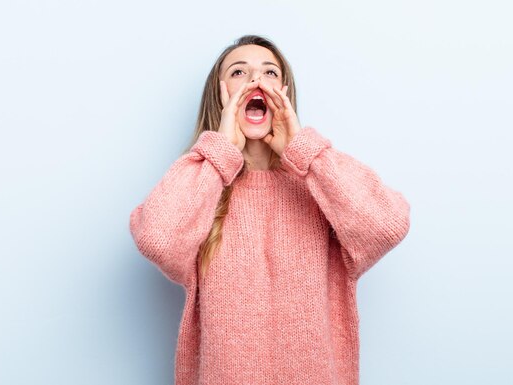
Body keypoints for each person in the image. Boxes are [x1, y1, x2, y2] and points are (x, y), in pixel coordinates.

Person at [128, 34, 411, 385]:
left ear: (285, 93)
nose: (255, 81)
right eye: (238, 72)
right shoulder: (203, 186)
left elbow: (388, 225)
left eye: (269, 73)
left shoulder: (321, 184)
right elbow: (157, 238)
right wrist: (220, 154)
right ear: (220, 96)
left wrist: (304, 151)